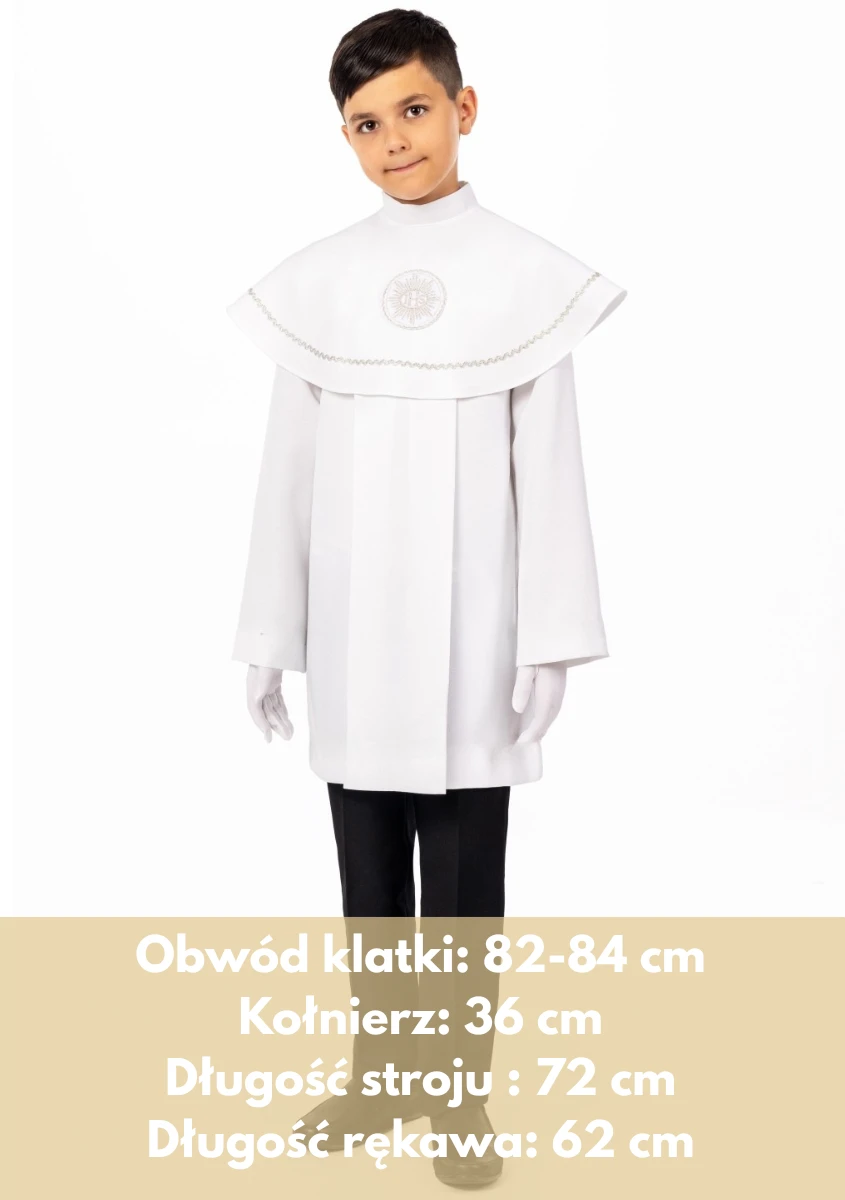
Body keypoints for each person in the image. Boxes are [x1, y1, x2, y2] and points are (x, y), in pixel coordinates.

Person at [226, 8, 626, 1188]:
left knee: (458, 882)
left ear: (462, 106)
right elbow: (286, 473)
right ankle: (378, 1075)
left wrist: (549, 637)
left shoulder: (523, 277)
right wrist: (268, 636)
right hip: (353, 634)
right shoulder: (320, 282)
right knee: (366, 878)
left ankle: (456, 1096)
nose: (393, 140)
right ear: (344, 138)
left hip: (469, 635)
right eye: (365, 124)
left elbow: (548, 469)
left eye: (412, 110)